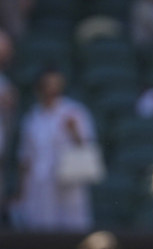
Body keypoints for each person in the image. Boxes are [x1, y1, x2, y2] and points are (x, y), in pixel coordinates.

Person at [12, 65, 97, 231]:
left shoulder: (75, 112)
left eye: (56, 84)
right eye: (47, 85)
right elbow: (25, 158)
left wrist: (74, 132)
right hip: (39, 185)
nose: (52, 89)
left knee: (72, 228)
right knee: (42, 230)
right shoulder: (32, 118)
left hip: (69, 182)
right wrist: (21, 191)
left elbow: (88, 148)